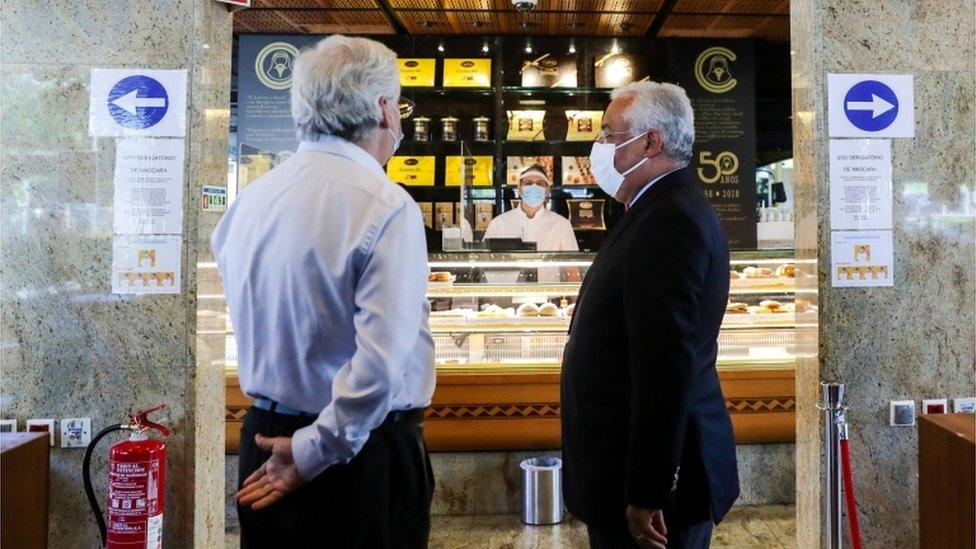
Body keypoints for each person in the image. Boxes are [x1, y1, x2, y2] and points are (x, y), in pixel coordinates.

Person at [212, 35, 435, 548]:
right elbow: (379, 365)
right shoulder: (385, 205)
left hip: (262, 440)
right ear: (383, 109)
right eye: (398, 103)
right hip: (353, 455)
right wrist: (315, 449)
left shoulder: (249, 202)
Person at [561, 81, 740, 549]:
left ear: (650, 142)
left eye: (608, 133)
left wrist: (648, 488)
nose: (599, 146)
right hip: (627, 468)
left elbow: (665, 362)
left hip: (651, 489)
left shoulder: (670, 220)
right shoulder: (652, 209)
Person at [484, 164, 579, 252]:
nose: (534, 187)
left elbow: (572, 267)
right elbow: (486, 261)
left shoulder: (561, 224)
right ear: (520, 189)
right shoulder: (498, 224)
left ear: (547, 190)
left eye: (540, 183)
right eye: (528, 183)